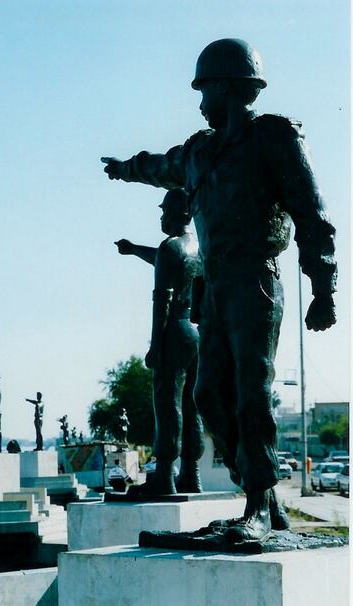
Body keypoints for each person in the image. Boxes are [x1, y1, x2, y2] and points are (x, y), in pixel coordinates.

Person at [102, 38, 337, 542]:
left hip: (256, 280)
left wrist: (323, 288)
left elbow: (313, 215)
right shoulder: (198, 153)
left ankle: (257, 503)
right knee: (208, 394)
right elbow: (157, 165)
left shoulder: (274, 138)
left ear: (230, 88)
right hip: (214, 289)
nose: (200, 102)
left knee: (252, 388)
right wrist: (124, 169)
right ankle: (262, 496)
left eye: (204, 90)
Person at [115, 189, 204, 493]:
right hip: (195, 333)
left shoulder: (171, 247)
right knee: (192, 406)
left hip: (173, 332)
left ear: (178, 214)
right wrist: (133, 249)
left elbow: (161, 299)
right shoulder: (196, 249)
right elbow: (159, 258)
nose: (161, 217)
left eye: (164, 211)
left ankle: (165, 475)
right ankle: (191, 475)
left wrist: (155, 345)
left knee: (168, 405)